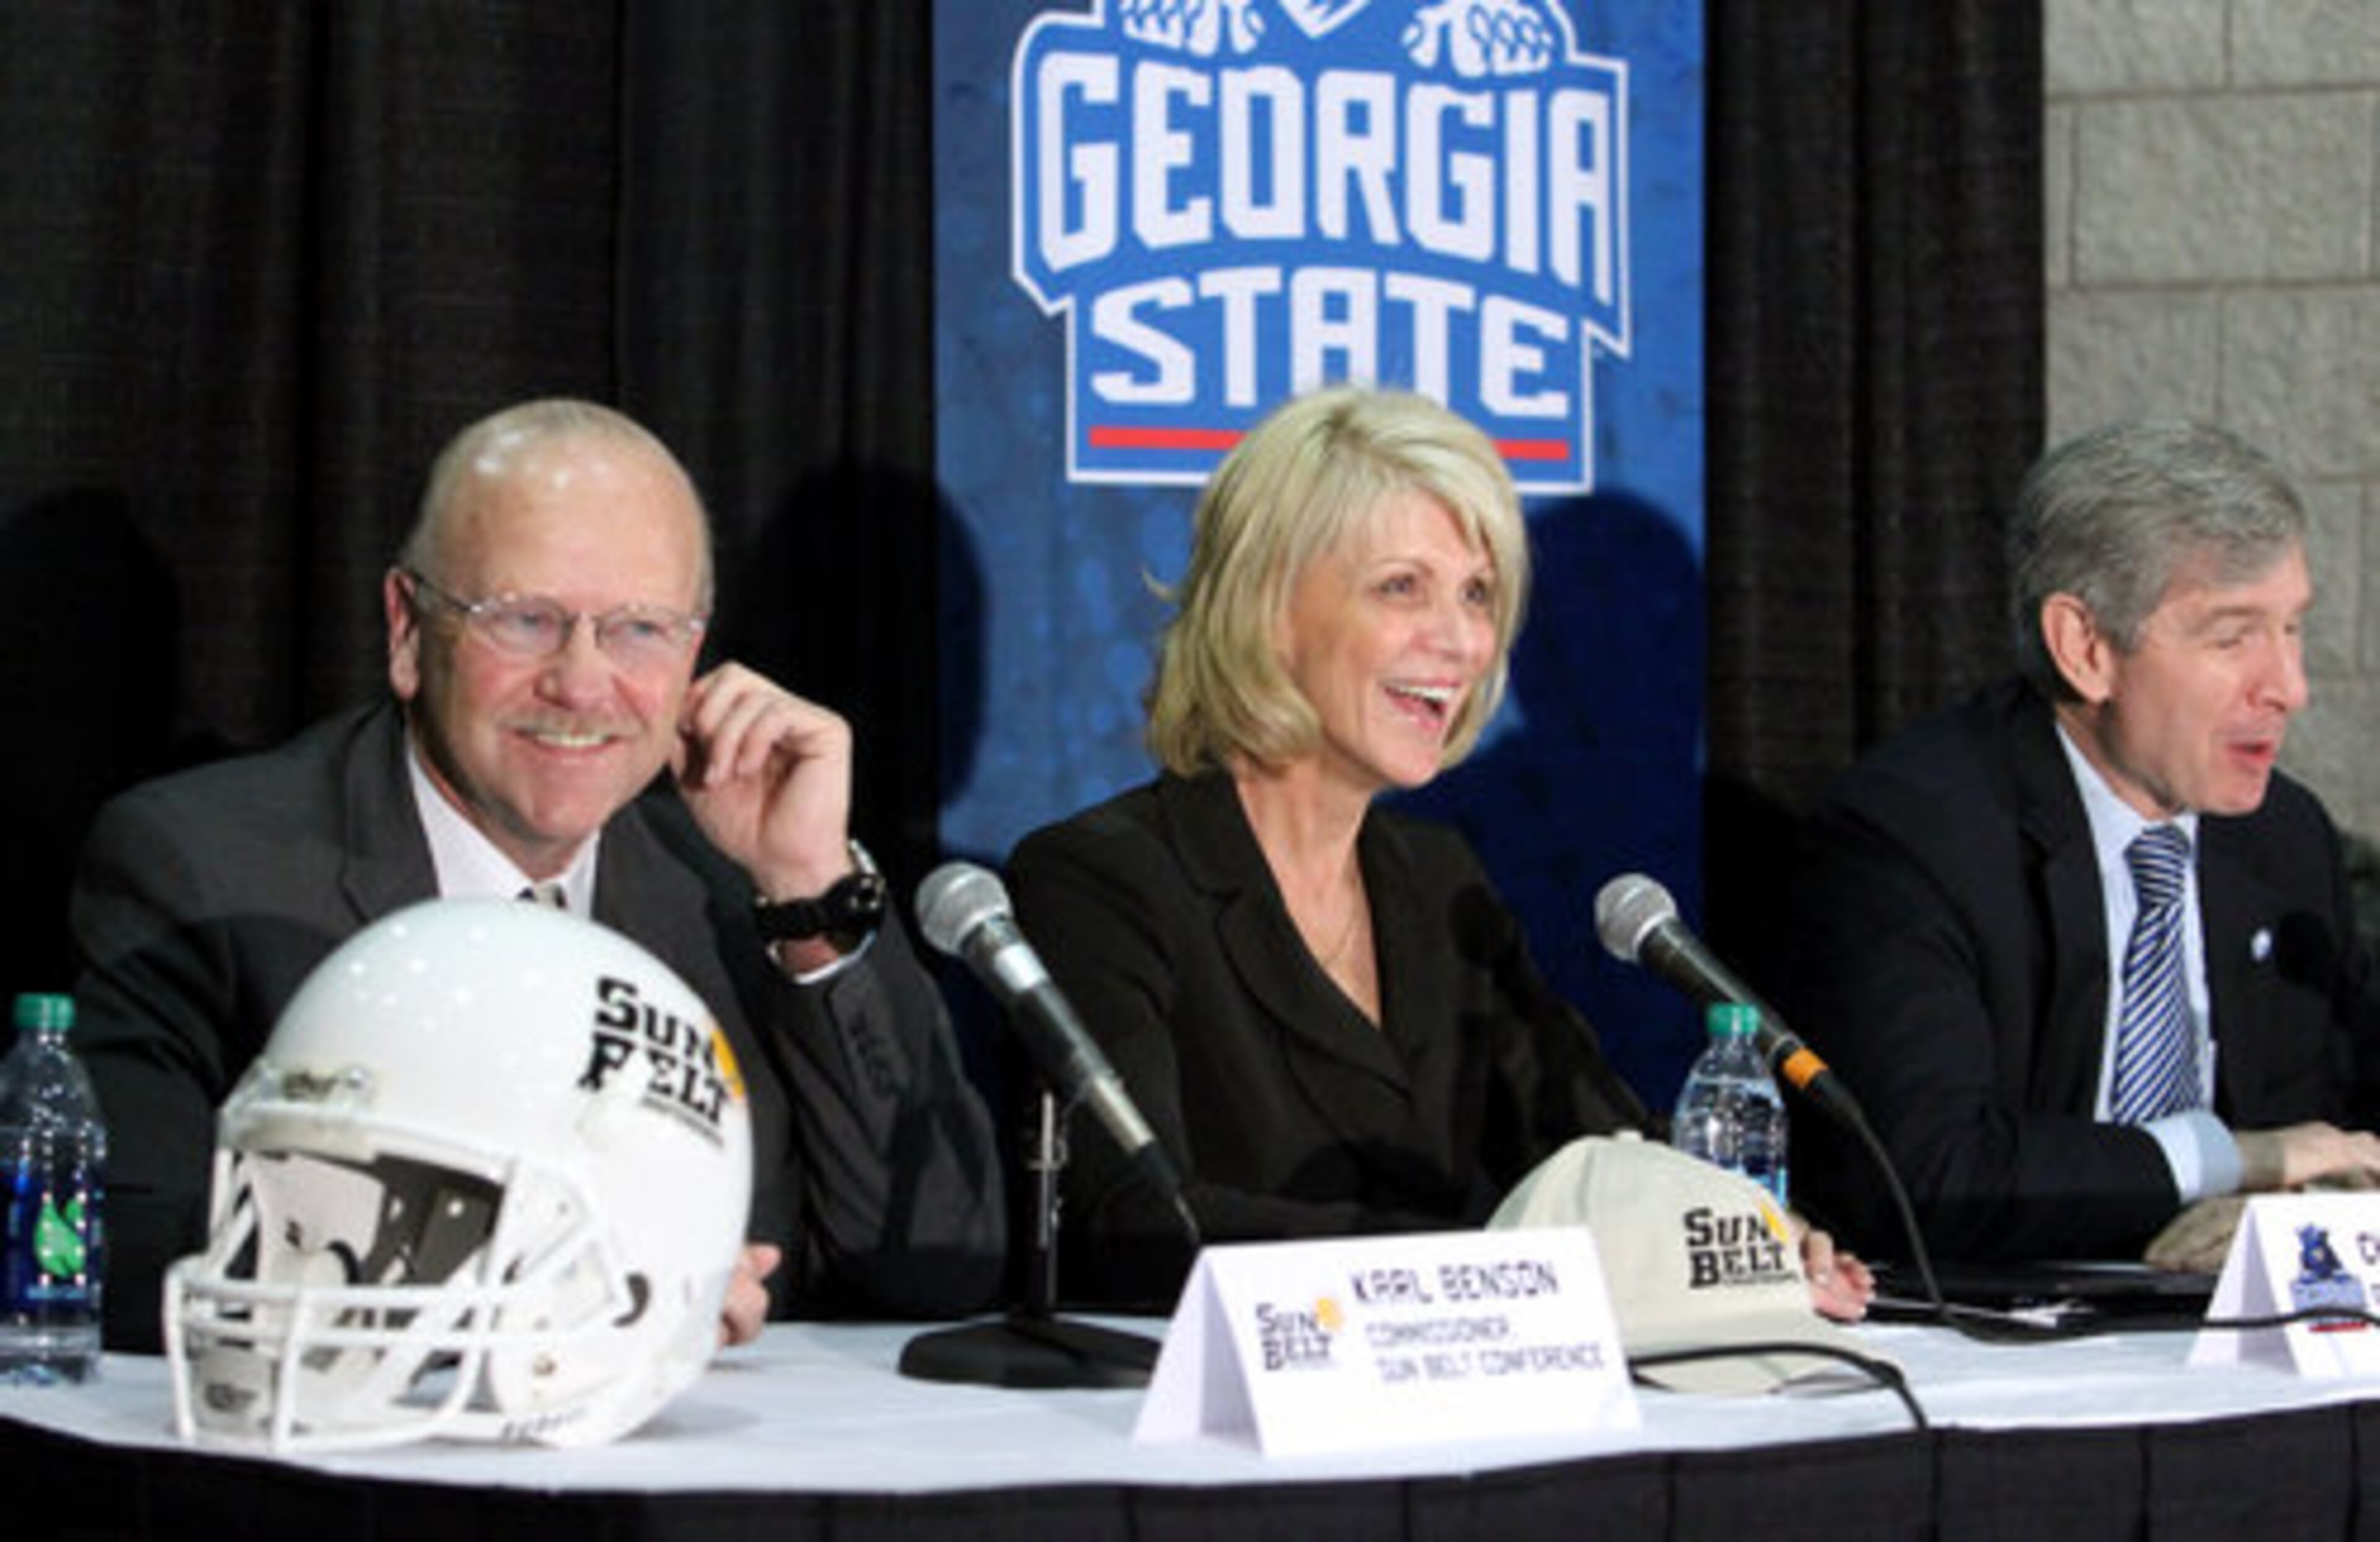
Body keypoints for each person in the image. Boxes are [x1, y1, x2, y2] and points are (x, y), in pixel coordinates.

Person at [69, 398, 1005, 1351]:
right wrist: (506, 1268)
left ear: (697, 648)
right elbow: (101, 1246)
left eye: (640, 629)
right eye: (525, 619)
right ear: (405, 629)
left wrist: (808, 891)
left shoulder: (739, 893)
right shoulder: (206, 866)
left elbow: (936, 1261)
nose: (583, 683)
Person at [1007, 384, 1873, 1318]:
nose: (1461, 640)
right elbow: (1136, 1226)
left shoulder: (1437, 879)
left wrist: (1732, 1235)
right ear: (1269, 610)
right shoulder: (1102, 880)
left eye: (1477, 593)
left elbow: (1596, 1143)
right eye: (1401, 588)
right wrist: (1506, 1268)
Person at [1783, 418, 2380, 1270]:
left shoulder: (2284, 841)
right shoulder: (1913, 835)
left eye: (2292, 629)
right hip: (1995, 1356)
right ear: (2086, 646)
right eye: (2233, 634)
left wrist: (2324, 1208)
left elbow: (2346, 1132)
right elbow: (1929, 1172)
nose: (2290, 687)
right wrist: (2234, 1158)